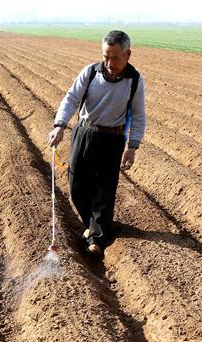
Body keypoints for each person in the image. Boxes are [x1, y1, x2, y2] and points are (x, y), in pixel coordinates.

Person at [47, 30, 146, 256]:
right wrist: (60, 125)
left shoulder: (135, 80)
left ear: (128, 54)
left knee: (105, 188)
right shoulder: (90, 72)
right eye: (105, 57)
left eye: (115, 57)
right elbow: (71, 98)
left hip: (113, 138)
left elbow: (139, 116)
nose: (109, 63)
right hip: (85, 132)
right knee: (77, 186)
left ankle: (97, 239)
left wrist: (132, 147)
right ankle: (91, 224)